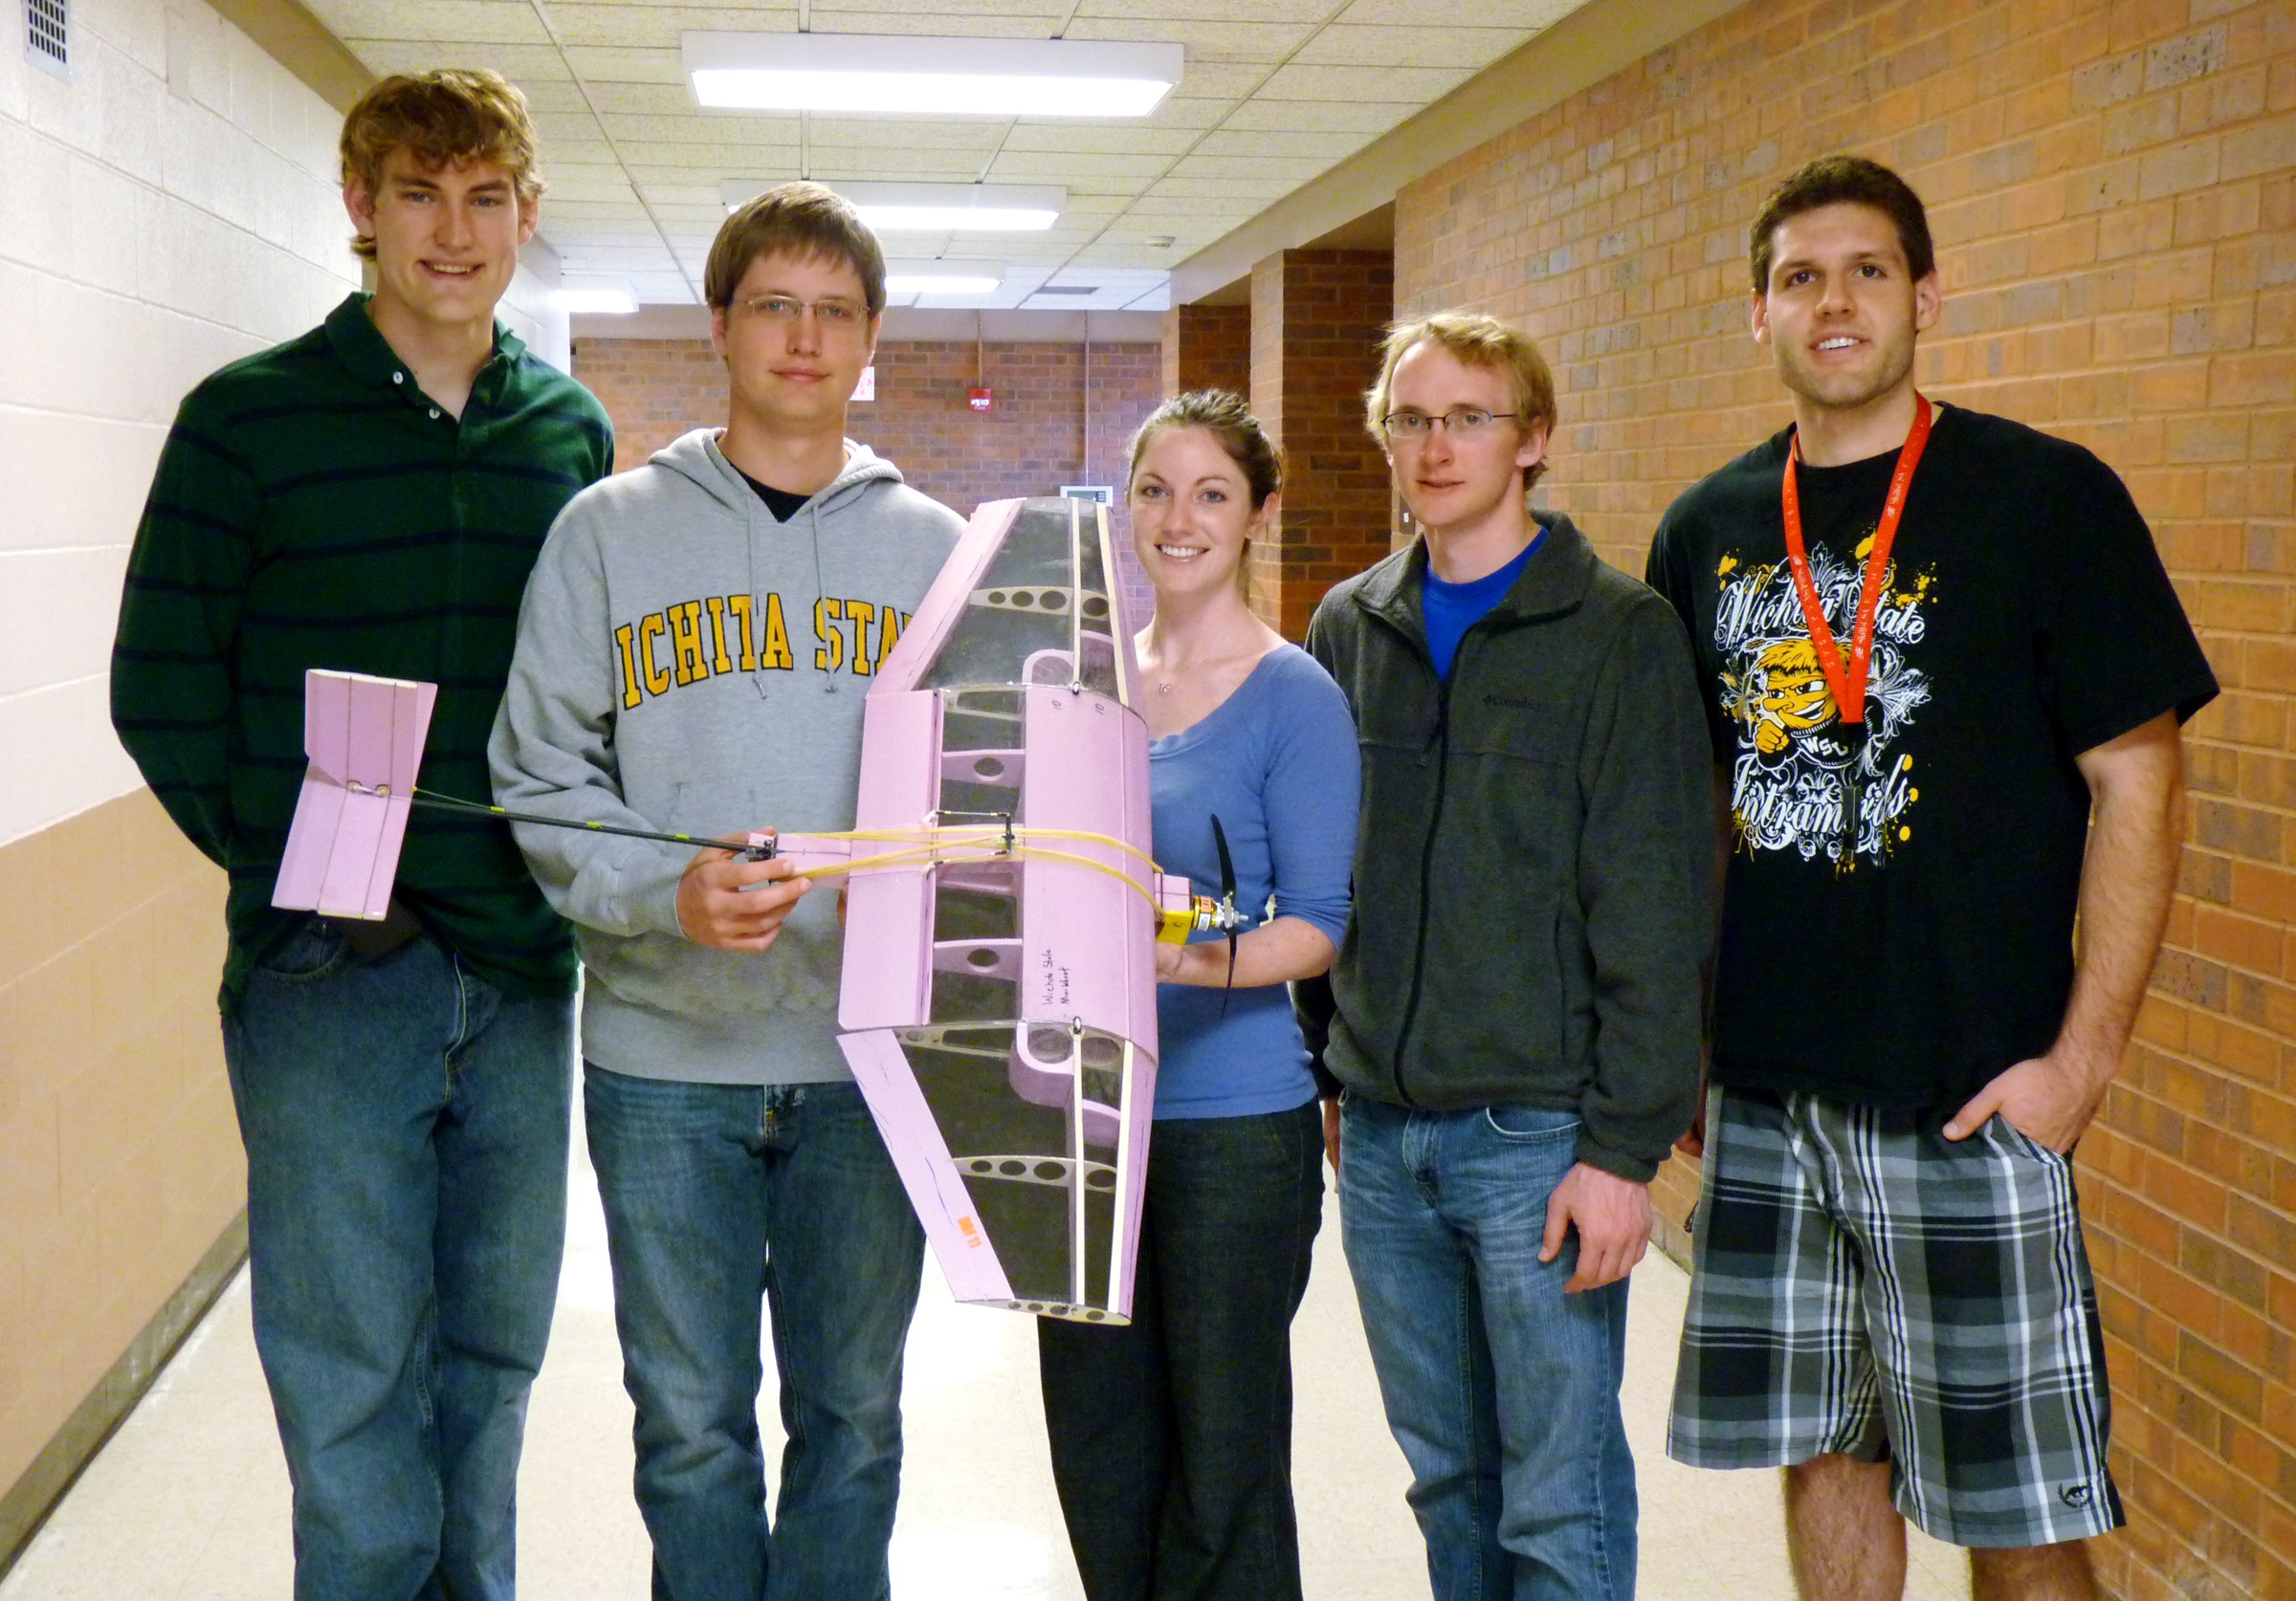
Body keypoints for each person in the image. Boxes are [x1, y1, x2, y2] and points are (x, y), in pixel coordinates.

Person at [1649, 154, 2219, 1601]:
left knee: (2018, 1503)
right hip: (1775, 1092)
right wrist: (1686, 1069)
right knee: (1826, 1456)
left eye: (1867, 271)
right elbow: (1686, 815)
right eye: (1798, 276)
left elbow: (2139, 777)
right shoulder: (1706, 527)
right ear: (1757, 312)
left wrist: (2079, 1068)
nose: (1833, 302)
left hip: (1972, 1091)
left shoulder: (2042, 498)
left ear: (1925, 296)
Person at [108, 70, 612, 1600]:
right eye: (415, 194)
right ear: (361, 209)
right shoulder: (249, 422)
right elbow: (161, 689)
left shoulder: (565, 432)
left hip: (519, 974)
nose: (450, 232)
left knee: (495, 1363)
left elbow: (594, 690)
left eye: (482, 198)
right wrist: (315, 877)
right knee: (346, 1383)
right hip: (330, 977)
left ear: (525, 215)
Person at [489, 181, 962, 1601]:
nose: (803, 339)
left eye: (834, 313)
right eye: (775, 306)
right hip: (661, 1058)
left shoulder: (936, 552)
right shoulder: (607, 531)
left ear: (869, 338)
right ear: (722, 324)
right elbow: (539, 768)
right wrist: (659, 891)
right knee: (689, 1430)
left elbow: (991, 805)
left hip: (868, 1065)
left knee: (855, 1421)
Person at [1301, 313, 1714, 1600]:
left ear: (1532, 440)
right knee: (1447, 1479)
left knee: (1558, 1489)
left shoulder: (1614, 630)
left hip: (1539, 1138)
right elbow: (1324, 869)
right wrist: (1330, 1068)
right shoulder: (1347, 625)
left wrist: (1622, 1150)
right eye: (1411, 419)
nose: (1435, 447)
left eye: (1469, 418)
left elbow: (1655, 902)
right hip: (1379, 1134)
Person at [1035, 392, 1358, 1601]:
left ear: (1258, 515)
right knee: (1102, 1450)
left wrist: (1176, 959)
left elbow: (1318, 929)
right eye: (1157, 490)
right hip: (1082, 1125)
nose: (1180, 518)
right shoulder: (1083, 684)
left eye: (1212, 492)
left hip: (1231, 1128)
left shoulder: (1294, 697)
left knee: (1222, 1465)